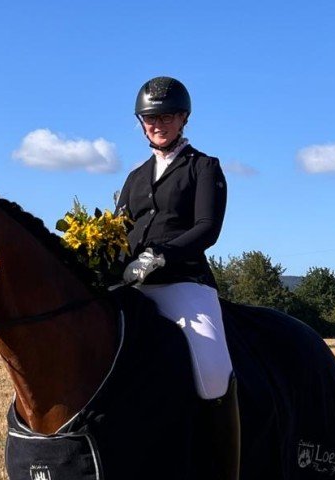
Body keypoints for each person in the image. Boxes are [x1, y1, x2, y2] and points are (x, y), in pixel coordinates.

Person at [115, 76, 240, 480]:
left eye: (166, 116)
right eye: (150, 117)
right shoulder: (134, 177)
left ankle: (224, 469)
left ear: (183, 118)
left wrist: (160, 256)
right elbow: (117, 230)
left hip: (184, 283)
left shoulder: (204, 167)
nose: (157, 123)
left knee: (214, 370)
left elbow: (207, 228)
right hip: (131, 285)